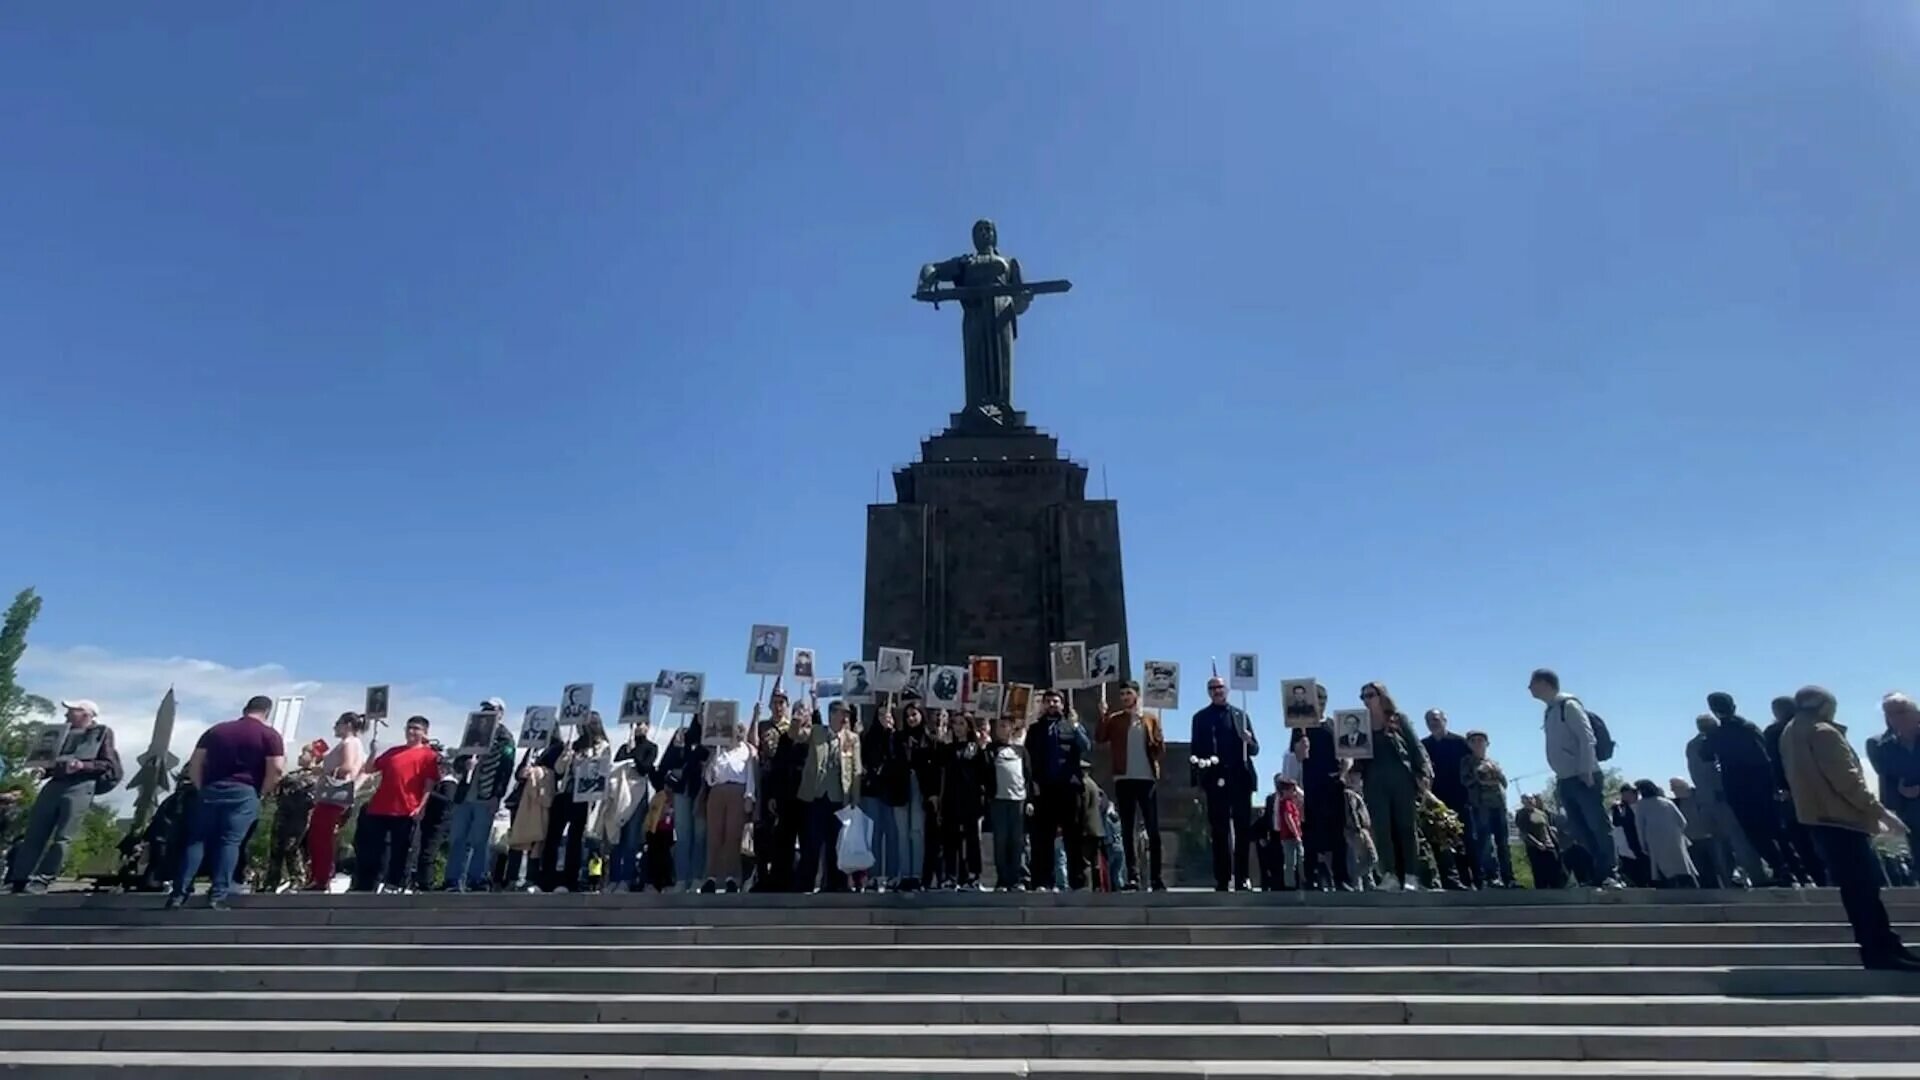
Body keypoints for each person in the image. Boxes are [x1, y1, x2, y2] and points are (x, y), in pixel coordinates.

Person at [1776, 685, 1920, 972]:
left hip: (1818, 821)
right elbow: (1848, 782)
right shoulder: (1823, 733)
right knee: (1865, 889)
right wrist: (1882, 814)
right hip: (1842, 820)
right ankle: (1881, 950)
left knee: (1857, 890)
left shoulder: (1790, 732)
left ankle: (1883, 946)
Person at [166, 696, 285, 910]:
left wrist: (202, 786)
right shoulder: (270, 735)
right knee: (229, 842)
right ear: (267, 712)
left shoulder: (217, 731)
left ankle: (178, 895)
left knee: (197, 841)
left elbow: (195, 763)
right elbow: (276, 769)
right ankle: (217, 896)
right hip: (244, 792)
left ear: (245, 708)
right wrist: (261, 792)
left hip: (211, 789)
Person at [7, 699, 121, 894]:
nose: (67, 714)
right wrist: (43, 770)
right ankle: (19, 877)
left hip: (80, 786)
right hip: (55, 784)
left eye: (72, 710)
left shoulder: (101, 733)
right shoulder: (61, 733)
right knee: (34, 833)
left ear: (87, 714)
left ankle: (44, 878)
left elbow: (108, 765)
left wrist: (83, 766)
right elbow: (50, 760)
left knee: (63, 836)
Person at [1530, 668, 1622, 888]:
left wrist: (1587, 770)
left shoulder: (1568, 705)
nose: (1529, 689)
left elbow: (1586, 738)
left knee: (1597, 825)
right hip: (1564, 778)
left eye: (1532, 683)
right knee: (1580, 829)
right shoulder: (1550, 711)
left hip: (1582, 776)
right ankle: (1598, 871)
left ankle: (1612, 873)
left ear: (1545, 683)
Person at [1706, 692, 1798, 887]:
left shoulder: (1717, 733)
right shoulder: (1748, 727)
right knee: (1775, 830)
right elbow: (1765, 757)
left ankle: (1781, 867)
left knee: (1757, 833)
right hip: (1761, 786)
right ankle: (1794, 869)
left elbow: (1705, 754)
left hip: (1738, 790)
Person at [1356, 682, 1431, 892]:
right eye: (1363, 697)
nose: (1366, 700)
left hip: (1401, 779)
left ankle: (1411, 875)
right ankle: (1389, 874)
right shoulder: (1360, 724)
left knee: (1406, 828)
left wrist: (1422, 772)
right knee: (1382, 829)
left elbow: (1416, 747)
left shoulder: (1398, 719)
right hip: (1374, 782)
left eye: (1370, 695)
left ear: (1382, 696)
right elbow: (1355, 756)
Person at [353, 716, 438, 893]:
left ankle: (394, 883)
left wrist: (421, 806)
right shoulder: (393, 752)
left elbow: (429, 783)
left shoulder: (428, 756)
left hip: (406, 808)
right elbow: (369, 769)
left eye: (416, 728)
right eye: (409, 728)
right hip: (380, 807)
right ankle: (367, 884)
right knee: (372, 849)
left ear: (424, 733)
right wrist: (373, 753)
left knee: (400, 850)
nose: (411, 732)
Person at [1189, 676, 1259, 891]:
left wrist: (1250, 741)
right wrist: (1197, 779)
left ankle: (1242, 877)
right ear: (1208, 692)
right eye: (1212, 688)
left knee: (1242, 830)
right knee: (1219, 831)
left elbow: (1255, 749)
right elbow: (1196, 750)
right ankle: (1222, 878)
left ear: (1227, 689)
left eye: (1220, 687)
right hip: (1215, 778)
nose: (1217, 691)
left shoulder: (1240, 715)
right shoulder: (1200, 718)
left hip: (1240, 777)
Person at [1096, 680, 1165, 891]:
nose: (1125, 697)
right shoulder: (1116, 720)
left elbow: (1158, 751)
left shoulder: (1150, 718)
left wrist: (1158, 740)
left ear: (1137, 695)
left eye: (1129, 693)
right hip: (1123, 779)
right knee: (1127, 829)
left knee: (1153, 829)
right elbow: (1100, 737)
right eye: (1123, 694)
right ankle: (1133, 876)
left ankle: (1156, 877)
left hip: (1146, 779)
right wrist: (1103, 716)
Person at [443, 700, 517, 892]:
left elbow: (506, 768)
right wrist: (464, 765)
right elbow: (457, 761)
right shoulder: (472, 733)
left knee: (479, 840)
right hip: (465, 794)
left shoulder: (505, 738)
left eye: (491, 710)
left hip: (486, 796)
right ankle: (453, 879)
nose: (487, 713)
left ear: (500, 713)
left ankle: (477, 878)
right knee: (458, 837)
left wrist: (497, 796)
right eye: (484, 710)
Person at [1685, 713, 1764, 888]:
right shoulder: (1711, 743)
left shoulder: (1691, 745)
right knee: (1739, 839)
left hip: (1705, 801)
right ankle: (1756, 877)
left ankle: (1729, 881)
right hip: (1722, 797)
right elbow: (1714, 770)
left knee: (1720, 844)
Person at [1026, 689, 1092, 891]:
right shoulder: (1035, 729)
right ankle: (1043, 881)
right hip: (1045, 789)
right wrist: (1033, 783)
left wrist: (1076, 726)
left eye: (1055, 701)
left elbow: (1086, 746)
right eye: (1048, 701)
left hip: (1069, 788)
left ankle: (1077, 882)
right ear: (1043, 705)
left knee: (1074, 836)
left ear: (1062, 704)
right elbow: (1029, 759)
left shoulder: (1071, 726)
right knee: (1042, 838)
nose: (1052, 704)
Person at [538, 712, 609, 892]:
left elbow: (600, 769)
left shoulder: (602, 746)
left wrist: (589, 757)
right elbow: (559, 769)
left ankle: (570, 880)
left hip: (584, 797)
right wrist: (566, 755)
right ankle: (547, 878)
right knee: (553, 836)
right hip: (565, 793)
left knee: (574, 839)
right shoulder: (574, 745)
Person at [1766, 694, 1829, 886]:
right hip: (1819, 788)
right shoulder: (1813, 726)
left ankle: (1818, 877)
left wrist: (1781, 787)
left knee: (1801, 837)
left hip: (1792, 791)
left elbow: (1774, 763)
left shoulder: (1774, 732)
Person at [796, 701, 858, 893]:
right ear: (831, 714)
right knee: (813, 842)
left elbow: (856, 769)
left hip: (839, 797)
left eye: (847, 714)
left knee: (836, 844)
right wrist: (798, 720)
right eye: (842, 713)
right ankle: (806, 883)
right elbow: (796, 735)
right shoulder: (817, 732)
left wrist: (855, 801)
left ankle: (835, 884)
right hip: (817, 796)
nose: (845, 718)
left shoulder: (852, 738)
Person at [306, 712, 368, 891]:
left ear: (347, 724)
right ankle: (320, 875)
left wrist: (325, 772)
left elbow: (347, 766)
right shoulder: (356, 744)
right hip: (338, 798)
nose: (335, 727)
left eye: (338, 723)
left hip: (333, 797)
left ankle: (321, 877)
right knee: (323, 836)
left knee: (321, 837)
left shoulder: (349, 743)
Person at [1422, 709, 1477, 888]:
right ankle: (1451, 881)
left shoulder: (1460, 742)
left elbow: (1473, 767)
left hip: (1460, 798)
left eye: (1436, 719)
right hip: (1436, 801)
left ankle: (1474, 879)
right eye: (1429, 720)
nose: (1433, 722)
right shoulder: (1424, 745)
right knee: (1442, 842)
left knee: (1466, 839)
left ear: (1445, 720)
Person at [702, 711, 756, 893]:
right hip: (717, 792)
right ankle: (711, 877)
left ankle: (732, 878)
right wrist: (711, 760)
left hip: (737, 792)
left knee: (733, 837)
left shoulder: (746, 750)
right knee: (715, 836)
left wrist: (749, 796)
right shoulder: (719, 751)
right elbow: (710, 778)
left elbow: (750, 775)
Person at [1301, 686, 1348, 890]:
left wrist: (1346, 767)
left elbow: (1349, 752)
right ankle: (1310, 877)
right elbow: (1299, 755)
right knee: (1311, 833)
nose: (1320, 702)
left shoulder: (1334, 725)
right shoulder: (1300, 727)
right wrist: (1302, 745)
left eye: (1323, 698)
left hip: (1335, 783)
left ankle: (1342, 878)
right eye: (1316, 698)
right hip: (1312, 784)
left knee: (1338, 832)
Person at [262, 739, 324, 893]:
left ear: (314, 756)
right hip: (283, 814)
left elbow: (313, 797)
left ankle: (297, 879)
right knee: (276, 848)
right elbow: (277, 788)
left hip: (300, 816)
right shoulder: (292, 775)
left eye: (305, 753)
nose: (300, 756)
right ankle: (271, 881)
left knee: (292, 847)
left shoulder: (317, 776)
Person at [859, 705, 909, 890]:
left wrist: (890, 734)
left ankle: (891, 873)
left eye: (887, 715)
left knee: (892, 834)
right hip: (873, 790)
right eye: (880, 715)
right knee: (875, 834)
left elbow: (899, 760)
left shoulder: (897, 736)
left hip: (891, 791)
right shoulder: (869, 736)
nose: (883, 718)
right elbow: (864, 759)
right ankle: (874, 874)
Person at [607, 717, 659, 892]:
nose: (638, 727)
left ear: (648, 726)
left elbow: (645, 767)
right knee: (616, 839)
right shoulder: (624, 746)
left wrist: (635, 752)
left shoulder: (651, 747)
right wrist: (627, 750)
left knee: (630, 839)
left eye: (641, 724)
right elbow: (615, 766)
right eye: (635, 724)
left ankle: (626, 878)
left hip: (637, 797)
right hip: (621, 794)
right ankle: (613, 878)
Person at [657, 720, 708, 891]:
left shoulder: (713, 737)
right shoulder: (683, 734)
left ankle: (697, 878)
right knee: (683, 835)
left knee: (700, 836)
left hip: (702, 790)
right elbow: (665, 765)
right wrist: (677, 749)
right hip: (682, 790)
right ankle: (681, 879)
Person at [941, 714, 989, 889]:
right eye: (955, 723)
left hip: (971, 799)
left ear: (968, 727)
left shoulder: (975, 748)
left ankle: (973, 875)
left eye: (962, 724)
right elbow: (940, 766)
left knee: (972, 840)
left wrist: (983, 749)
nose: (958, 727)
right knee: (950, 840)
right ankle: (951, 876)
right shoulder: (948, 748)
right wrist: (942, 744)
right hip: (951, 799)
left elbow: (985, 773)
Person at [987, 714, 1034, 890]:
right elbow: (985, 772)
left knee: (1018, 841)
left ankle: (1018, 878)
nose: (1002, 729)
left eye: (1005, 726)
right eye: (999, 726)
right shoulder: (991, 750)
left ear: (1011, 728)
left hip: (1019, 801)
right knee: (1001, 841)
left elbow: (1028, 776)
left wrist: (1030, 800)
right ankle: (1003, 879)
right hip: (999, 800)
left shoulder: (1021, 751)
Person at [1461, 731, 1514, 887]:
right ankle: (1492, 876)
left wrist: (1495, 775)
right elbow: (1466, 780)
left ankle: (1509, 877)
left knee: (1503, 843)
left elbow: (1503, 782)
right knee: (1485, 844)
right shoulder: (1467, 761)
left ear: (1487, 744)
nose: (1478, 744)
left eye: (1481, 741)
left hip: (1499, 806)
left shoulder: (1494, 763)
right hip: (1481, 806)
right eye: (1474, 741)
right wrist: (1482, 778)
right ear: (1469, 744)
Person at [1866, 693, 1920, 842]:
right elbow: (1886, 776)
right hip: (1910, 815)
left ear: (1917, 714)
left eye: (1902, 712)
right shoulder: (1880, 746)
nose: (1897, 718)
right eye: (1890, 714)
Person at [1631, 778, 1697, 887]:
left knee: (1663, 869)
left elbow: (1640, 826)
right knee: (1683, 866)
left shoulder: (1641, 805)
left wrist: (1642, 844)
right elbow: (1682, 822)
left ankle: (1671, 892)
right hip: (1675, 838)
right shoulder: (1667, 802)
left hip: (1654, 840)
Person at [1515, 793, 1565, 888]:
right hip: (1535, 848)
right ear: (1522, 802)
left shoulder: (1541, 813)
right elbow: (1524, 833)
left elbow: (1547, 829)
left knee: (1556, 873)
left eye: (1531, 798)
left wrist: (1555, 843)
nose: (1529, 801)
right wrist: (1537, 843)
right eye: (1526, 799)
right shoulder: (1521, 814)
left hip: (1549, 846)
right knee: (1540, 875)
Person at [1264, 776, 1304, 890]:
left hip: (1291, 836)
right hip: (1288, 836)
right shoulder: (1285, 803)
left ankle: (1297, 881)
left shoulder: (1292, 802)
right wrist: (1296, 834)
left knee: (1297, 859)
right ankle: (1290, 884)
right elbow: (1288, 818)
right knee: (1290, 861)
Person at [1342, 768, 1376, 888]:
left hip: (1363, 829)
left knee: (1364, 858)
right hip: (1356, 830)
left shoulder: (1358, 794)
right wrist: (1356, 828)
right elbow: (1351, 812)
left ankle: (1368, 884)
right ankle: (1354, 879)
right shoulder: (1349, 794)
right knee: (1370, 858)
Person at [1612, 784, 1650, 887]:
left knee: (1647, 872)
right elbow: (1616, 824)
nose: (1626, 797)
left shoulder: (1644, 806)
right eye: (1624, 794)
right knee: (1632, 874)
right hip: (1627, 847)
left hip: (1644, 844)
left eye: (1629, 794)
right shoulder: (1620, 808)